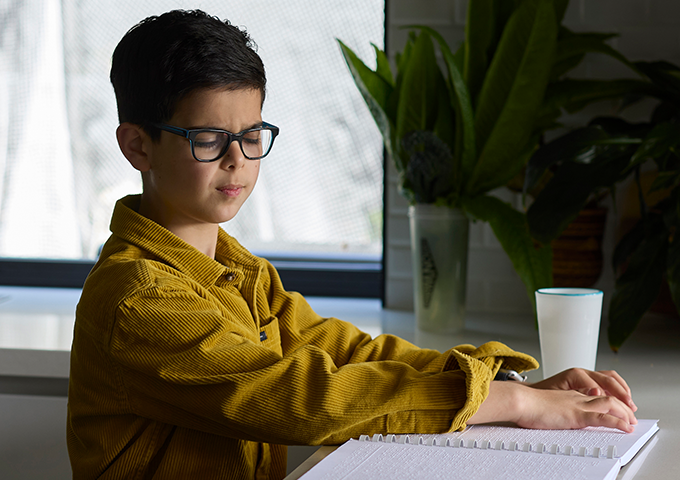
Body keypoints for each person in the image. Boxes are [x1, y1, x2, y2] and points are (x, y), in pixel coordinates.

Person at [66, 9, 638, 480]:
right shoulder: (136, 298)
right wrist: (515, 406)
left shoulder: (239, 272)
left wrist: (507, 385)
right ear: (138, 147)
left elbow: (349, 354)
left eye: (250, 135)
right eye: (210, 139)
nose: (238, 159)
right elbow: (301, 398)